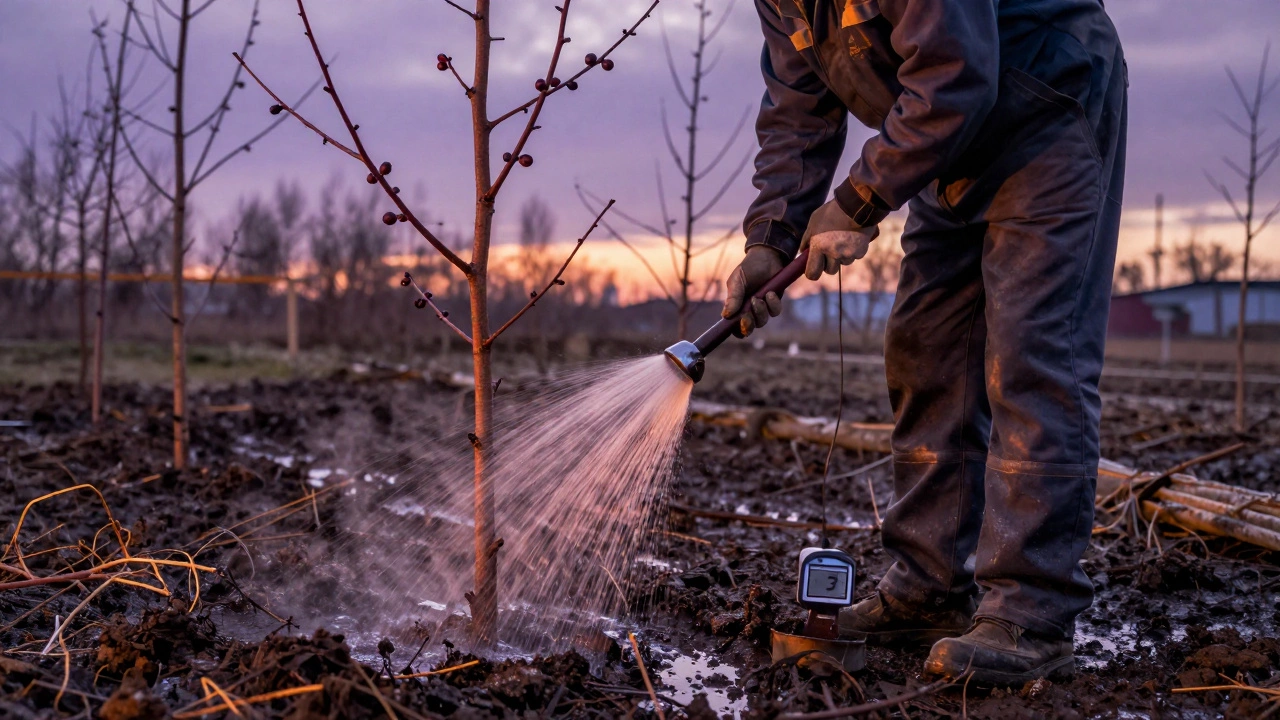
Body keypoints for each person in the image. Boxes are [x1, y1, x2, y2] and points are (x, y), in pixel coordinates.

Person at [721, 0, 1127, 684]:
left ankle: (1030, 613)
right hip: (949, 143)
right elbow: (798, 107)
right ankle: (930, 585)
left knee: (1032, 360)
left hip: (1045, 112)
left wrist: (857, 200)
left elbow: (955, 71)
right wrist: (771, 239)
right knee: (925, 352)